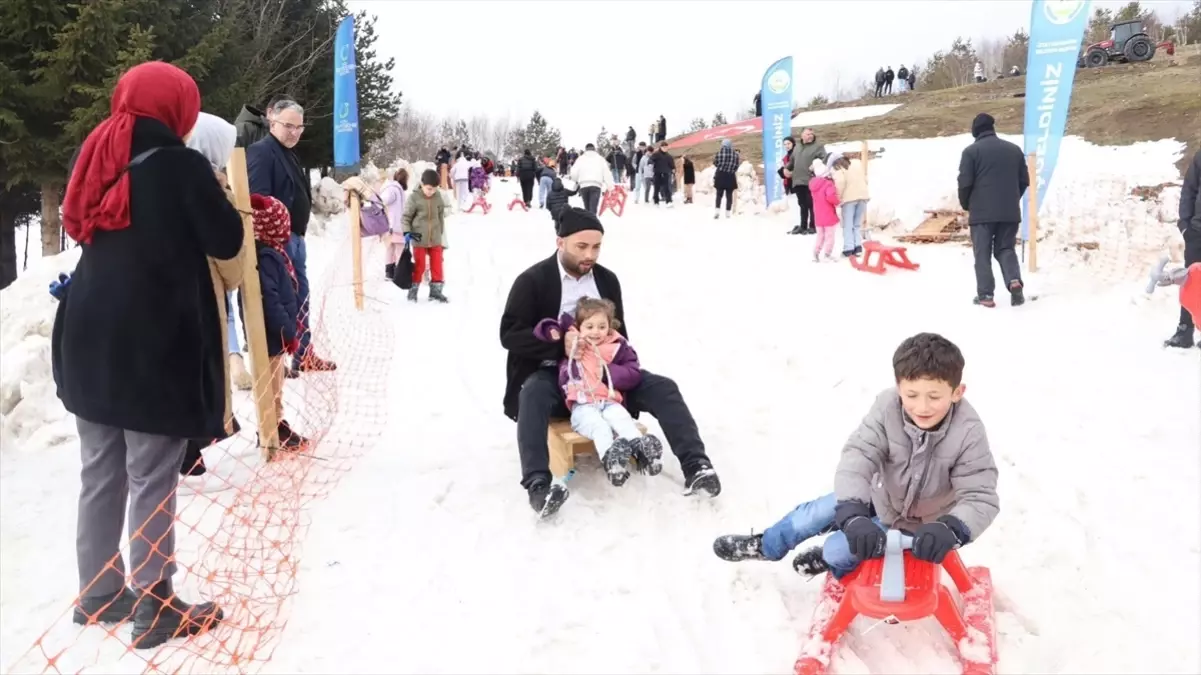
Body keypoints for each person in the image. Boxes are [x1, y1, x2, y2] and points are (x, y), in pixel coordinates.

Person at [53, 61, 236, 648]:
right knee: (152, 472)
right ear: (177, 109)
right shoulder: (181, 165)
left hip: (88, 331)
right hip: (150, 340)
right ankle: (156, 603)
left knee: (99, 469)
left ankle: (100, 592)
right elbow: (227, 239)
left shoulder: (97, 151)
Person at [711, 333, 999, 580]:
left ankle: (828, 559)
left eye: (934, 397)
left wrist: (952, 528)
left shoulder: (968, 432)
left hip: (919, 527)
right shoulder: (888, 407)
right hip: (880, 496)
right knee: (811, 515)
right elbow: (859, 456)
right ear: (899, 388)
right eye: (912, 395)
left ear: (957, 392)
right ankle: (767, 545)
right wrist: (852, 511)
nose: (922, 406)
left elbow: (980, 496)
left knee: (839, 549)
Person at [499, 208, 721, 516]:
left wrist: (620, 373)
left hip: (605, 376)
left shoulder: (606, 280)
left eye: (596, 247)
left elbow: (619, 333)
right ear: (559, 242)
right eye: (582, 247)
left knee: (663, 387)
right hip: (560, 377)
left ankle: (697, 466)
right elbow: (509, 334)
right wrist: (556, 346)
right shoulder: (532, 280)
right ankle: (539, 485)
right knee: (532, 392)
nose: (590, 254)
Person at [532, 297, 665, 487]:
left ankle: (643, 451)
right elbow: (545, 328)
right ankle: (611, 460)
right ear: (579, 326)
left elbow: (634, 371)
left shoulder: (618, 345)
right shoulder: (573, 341)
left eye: (602, 327)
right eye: (590, 326)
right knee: (599, 427)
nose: (596, 332)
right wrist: (551, 332)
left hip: (609, 401)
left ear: (610, 326)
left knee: (623, 419)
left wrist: (610, 372)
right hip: (582, 404)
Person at [247, 99, 337, 375]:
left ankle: (303, 353)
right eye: (288, 126)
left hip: (296, 239)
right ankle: (276, 360)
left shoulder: (290, 153)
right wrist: (272, 240)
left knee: (300, 299)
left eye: (299, 127)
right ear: (271, 120)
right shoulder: (262, 152)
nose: (295, 133)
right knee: (282, 302)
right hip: (276, 243)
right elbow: (258, 201)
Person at [181, 111, 246, 477]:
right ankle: (191, 446)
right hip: (202, 299)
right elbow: (232, 267)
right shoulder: (209, 192)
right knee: (202, 371)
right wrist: (228, 199)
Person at [248, 194, 308, 449]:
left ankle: (276, 424)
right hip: (271, 335)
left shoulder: (272, 253)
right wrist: (287, 332)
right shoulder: (267, 258)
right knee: (270, 387)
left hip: (275, 334)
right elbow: (270, 301)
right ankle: (271, 429)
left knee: (276, 384)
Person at [957, 113, 1028, 308]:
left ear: (976, 131)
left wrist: (967, 204)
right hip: (1009, 212)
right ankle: (1014, 281)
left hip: (981, 214)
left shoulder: (971, 152)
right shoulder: (1014, 150)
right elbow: (1024, 181)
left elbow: (965, 183)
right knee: (1006, 248)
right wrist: (1012, 199)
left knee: (982, 254)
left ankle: (986, 295)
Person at [1166, 148, 1201, 348]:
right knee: (1191, 281)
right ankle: (1184, 330)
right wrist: (1186, 225)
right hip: (1198, 231)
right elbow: (1189, 189)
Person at [402, 169, 450, 303]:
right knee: (420, 266)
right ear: (422, 184)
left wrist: (440, 230)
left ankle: (435, 292)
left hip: (435, 237)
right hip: (419, 238)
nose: (431, 192)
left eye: (434, 189)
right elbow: (406, 217)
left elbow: (440, 214)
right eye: (429, 189)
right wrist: (406, 232)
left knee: (437, 266)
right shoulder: (414, 198)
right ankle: (413, 292)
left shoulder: (437, 196)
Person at [785, 128, 827, 235]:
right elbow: (792, 161)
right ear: (802, 135)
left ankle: (813, 226)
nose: (810, 136)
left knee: (811, 204)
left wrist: (816, 164)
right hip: (798, 180)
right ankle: (803, 226)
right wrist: (786, 169)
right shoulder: (797, 147)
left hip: (811, 180)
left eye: (812, 134)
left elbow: (825, 159)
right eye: (808, 134)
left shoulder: (818, 147)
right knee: (802, 204)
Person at [831, 152, 870, 257]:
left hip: (849, 198)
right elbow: (866, 179)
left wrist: (839, 198)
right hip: (863, 196)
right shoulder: (857, 163)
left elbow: (840, 182)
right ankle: (858, 247)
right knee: (857, 224)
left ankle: (848, 248)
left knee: (848, 224)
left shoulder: (838, 167)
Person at [809, 157, 841, 262]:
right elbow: (830, 197)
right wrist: (838, 202)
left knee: (820, 236)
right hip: (828, 214)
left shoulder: (813, 185)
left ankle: (816, 253)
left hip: (818, 215)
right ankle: (827, 254)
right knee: (830, 236)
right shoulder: (828, 184)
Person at [380, 168, 409, 280]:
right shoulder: (394, 189)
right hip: (396, 225)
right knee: (399, 249)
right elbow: (384, 200)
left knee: (390, 248)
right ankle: (398, 273)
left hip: (390, 225)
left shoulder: (394, 188)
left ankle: (389, 272)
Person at [568, 143, 612, 214]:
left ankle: (588, 222)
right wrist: (610, 186)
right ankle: (593, 223)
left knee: (587, 208)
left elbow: (573, 173)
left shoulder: (580, 159)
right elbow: (607, 173)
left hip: (584, 186)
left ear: (586, 150)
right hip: (596, 185)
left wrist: (576, 180)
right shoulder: (600, 159)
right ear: (594, 149)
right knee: (593, 209)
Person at [713, 140, 739, 219]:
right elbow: (736, 166)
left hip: (720, 175)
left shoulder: (719, 153)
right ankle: (728, 213)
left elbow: (715, 163)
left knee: (719, 194)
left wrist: (721, 166)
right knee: (729, 195)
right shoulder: (736, 154)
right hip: (730, 176)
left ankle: (717, 211)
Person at [651, 141, 675, 207]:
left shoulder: (669, 156)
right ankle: (656, 201)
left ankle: (669, 201)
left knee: (667, 188)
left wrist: (673, 171)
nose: (665, 148)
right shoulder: (656, 154)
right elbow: (650, 160)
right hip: (657, 173)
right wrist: (652, 164)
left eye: (666, 147)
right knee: (657, 188)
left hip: (666, 173)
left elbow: (672, 166)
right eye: (663, 147)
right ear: (661, 147)